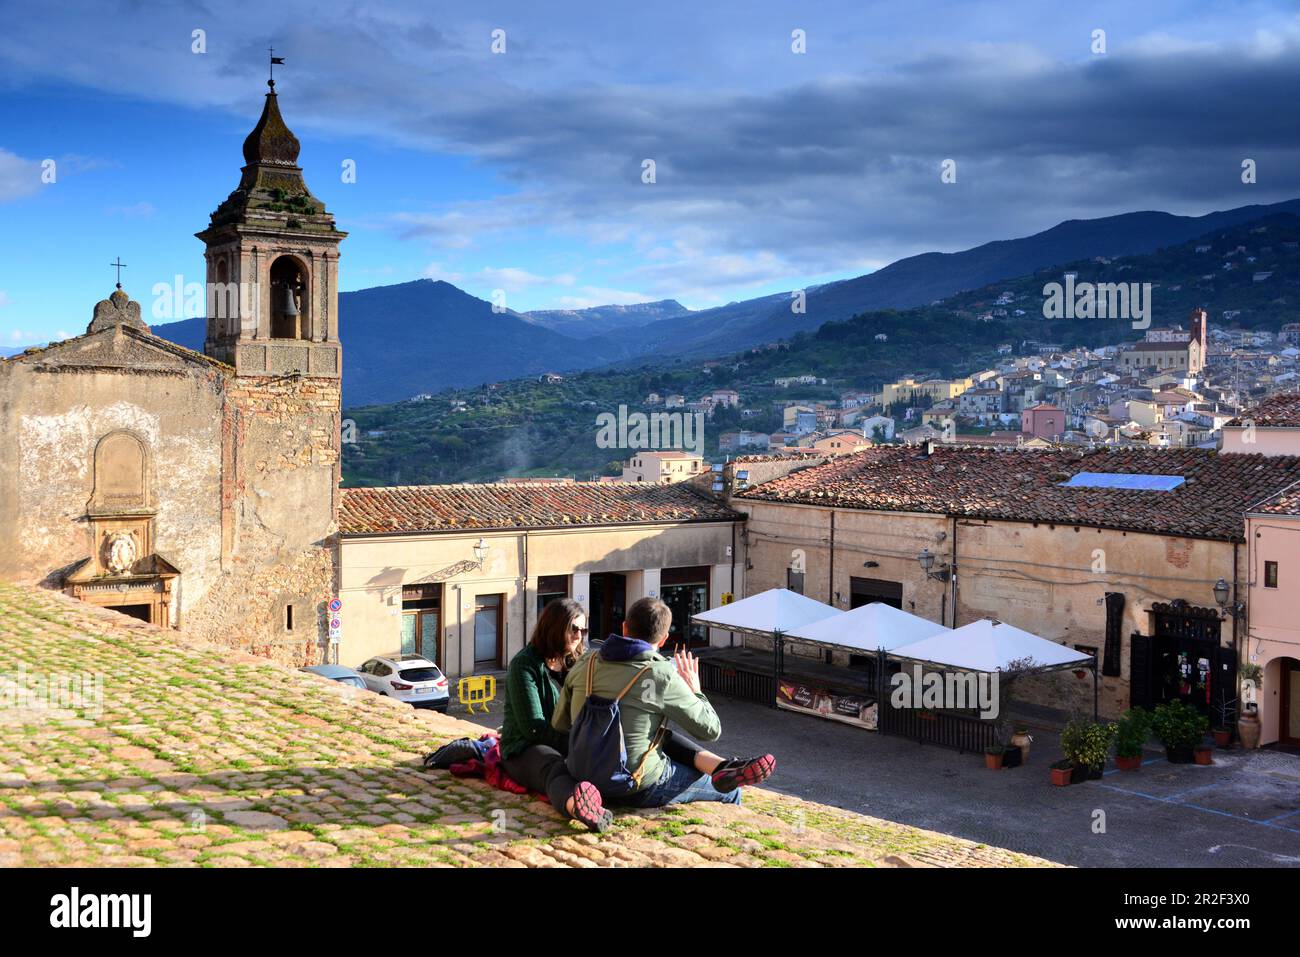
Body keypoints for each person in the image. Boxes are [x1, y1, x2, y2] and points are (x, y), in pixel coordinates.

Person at [552, 596, 775, 807]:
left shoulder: (585, 661)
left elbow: (559, 724)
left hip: (582, 774)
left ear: (624, 627)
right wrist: (696, 690)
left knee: (658, 735)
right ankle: (723, 777)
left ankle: (722, 766)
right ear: (664, 639)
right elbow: (710, 730)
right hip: (634, 785)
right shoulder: (661, 674)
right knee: (732, 792)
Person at [498, 598, 612, 831]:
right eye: (574, 628)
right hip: (524, 748)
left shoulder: (577, 661)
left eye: (583, 630)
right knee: (554, 766)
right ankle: (578, 808)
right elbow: (534, 727)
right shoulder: (524, 665)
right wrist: (576, 745)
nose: (579, 635)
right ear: (554, 626)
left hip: (568, 741)